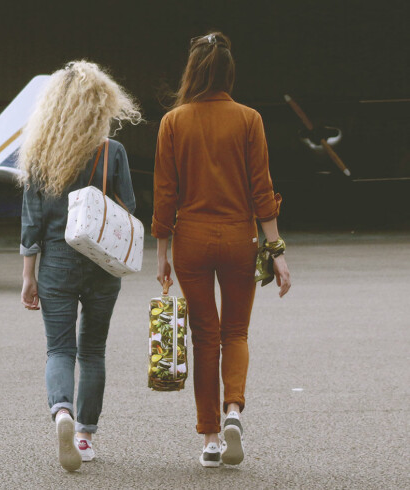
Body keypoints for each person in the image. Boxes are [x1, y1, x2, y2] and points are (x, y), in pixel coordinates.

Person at [152, 32, 292, 468]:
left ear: (191, 71)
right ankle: (234, 409)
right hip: (239, 238)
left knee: (204, 336)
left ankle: (211, 437)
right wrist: (278, 250)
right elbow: (261, 190)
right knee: (236, 332)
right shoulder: (249, 119)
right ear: (230, 71)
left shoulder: (173, 122)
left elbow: (164, 193)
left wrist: (162, 252)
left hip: (191, 239)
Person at [19, 60, 142, 472]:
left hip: (56, 262)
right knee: (92, 350)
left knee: (59, 348)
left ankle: (63, 415)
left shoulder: (39, 153)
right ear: (101, 105)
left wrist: (28, 276)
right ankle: (85, 436)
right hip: (103, 264)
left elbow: (31, 223)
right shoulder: (113, 152)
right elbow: (130, 208)